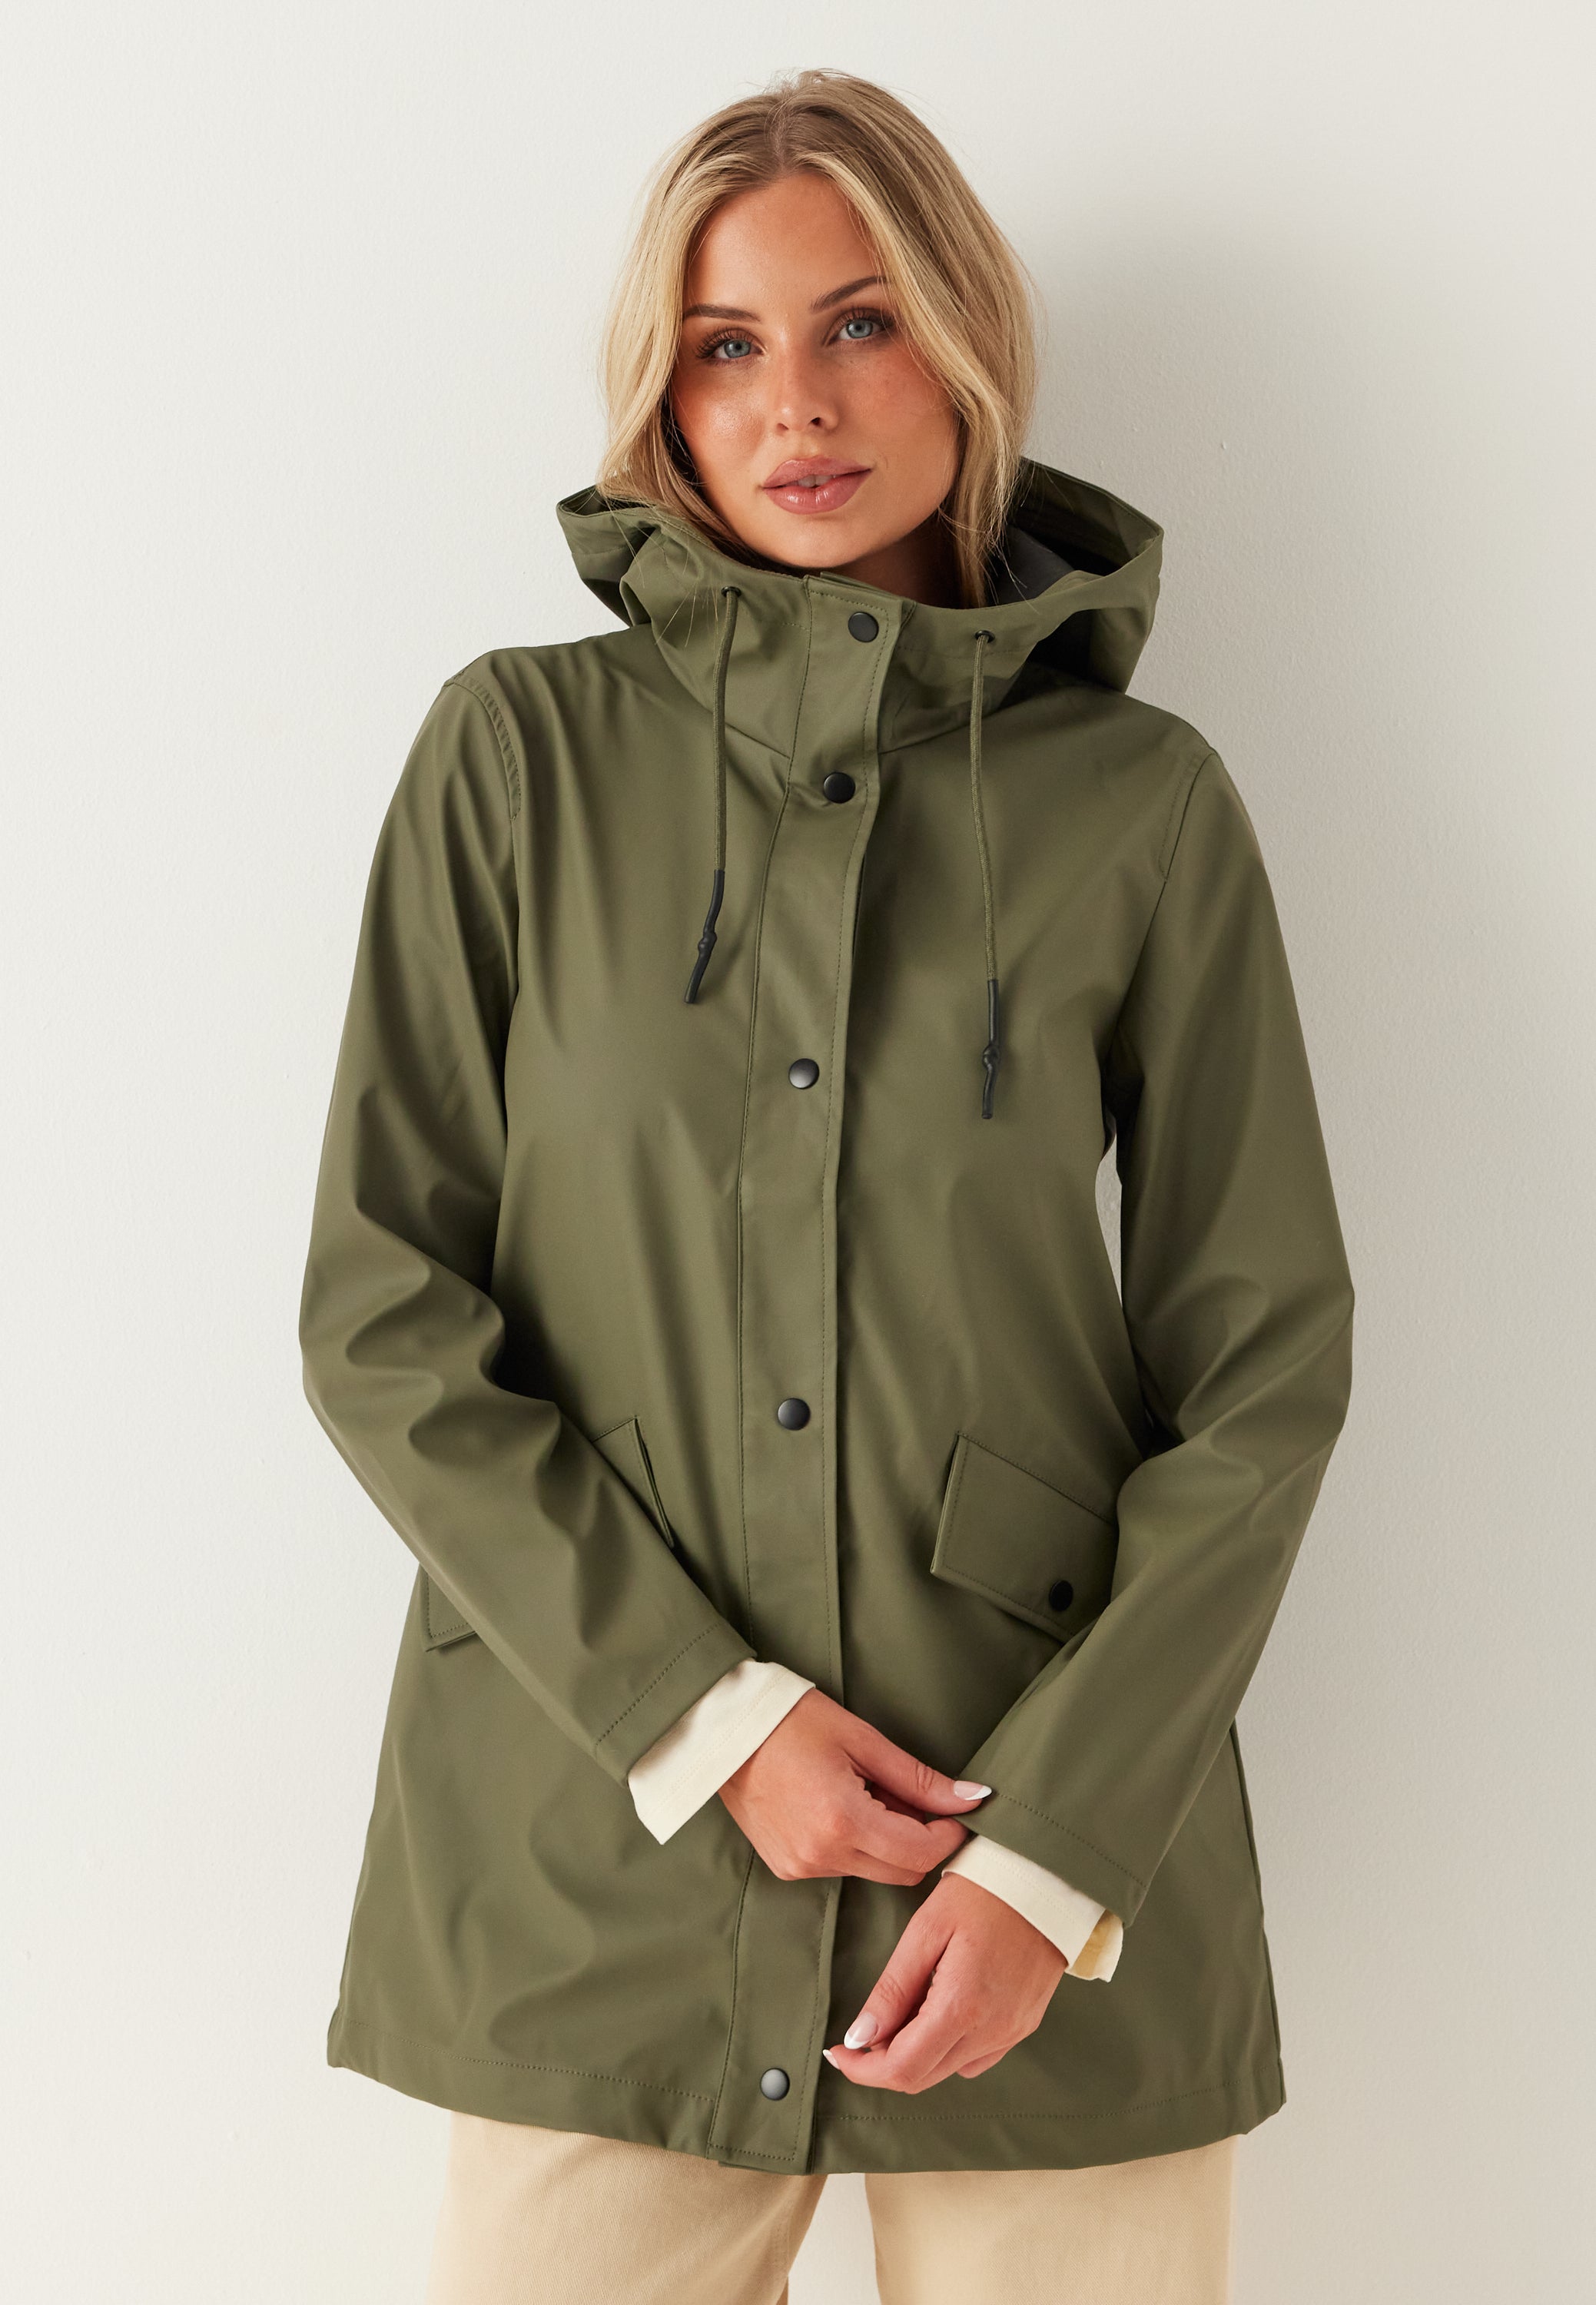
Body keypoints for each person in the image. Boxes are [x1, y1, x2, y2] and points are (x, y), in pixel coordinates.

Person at [297, 66, 1354, 2305]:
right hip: (596, 1853)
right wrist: (712, 1721)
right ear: (663, 399)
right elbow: (384, 1318)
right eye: (727, 343)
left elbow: (1261, 1372)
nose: (797, 401)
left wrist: (1059, 1857)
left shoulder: (1145, 807)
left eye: (861, 322)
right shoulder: (518, 758)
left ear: (964, 344)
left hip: (1041, 1873)